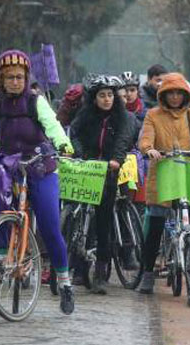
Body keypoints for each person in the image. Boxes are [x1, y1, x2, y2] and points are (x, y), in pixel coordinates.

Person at [0, 49, 76, 314]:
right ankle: (1, 262)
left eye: (20, 77)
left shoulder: (35, 101)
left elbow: (53, 126)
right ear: (0, 79)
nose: (15, 82)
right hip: (8, 164)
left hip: (40, 165)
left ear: (27, 77)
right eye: (9, 77)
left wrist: (63, 144)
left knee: (49, 224)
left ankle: (65, 282)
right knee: (1, 209)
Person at [135, 72, 190, 294]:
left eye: (179, 93)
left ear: (186, 94)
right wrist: (150, 150)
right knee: (156, 225)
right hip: (164, 171)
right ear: (163, 95)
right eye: (170, 93)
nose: (175, 97)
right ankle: (147, 273)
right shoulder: (153, 115)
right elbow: (145, 139)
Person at [70, 75, 138, 294]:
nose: (107, 99)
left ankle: (100, 273)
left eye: (110, 95)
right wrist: (81, 155)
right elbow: (75, 134)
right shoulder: (85, 115)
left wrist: (116, 160)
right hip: (87, 169)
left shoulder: (124, 117)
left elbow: (124, 140)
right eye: (102, 95)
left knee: (103, 223)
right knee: (78, 218)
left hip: (109, 171)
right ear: (94, 98)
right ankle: (78, 269)